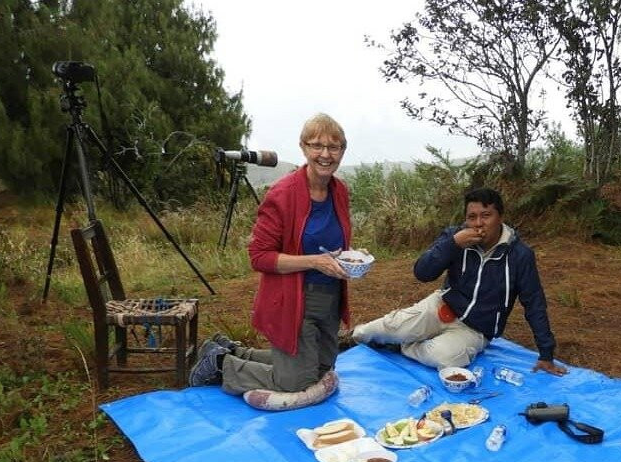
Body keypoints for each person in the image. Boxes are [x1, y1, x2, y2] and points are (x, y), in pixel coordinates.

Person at [189, 113, 353, 394]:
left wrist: (348, 257)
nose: (325, 154)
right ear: (303, 147)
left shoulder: (339, 191)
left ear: (342, 151)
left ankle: (234, 351)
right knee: (297, 382)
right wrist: (314, 262)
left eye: (333, 147)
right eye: (317, 145)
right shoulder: (283, 194)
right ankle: (220, 364)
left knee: (322, 369)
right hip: (295, 298)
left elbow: (331, 241)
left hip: (331, 295)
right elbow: (259, 256)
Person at [351, 187, 567, 375]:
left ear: (500, 217)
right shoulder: (456, 237)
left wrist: (546, 353)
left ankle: (400, 346)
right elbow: (422, 273)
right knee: (373, 331)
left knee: (445, 358)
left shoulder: (519, 255)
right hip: (442, 307)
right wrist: (452, 244)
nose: (478, 224)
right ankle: (353, 337)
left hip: (475, 330)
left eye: (486, 216)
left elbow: (534, 303)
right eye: (472, 217)